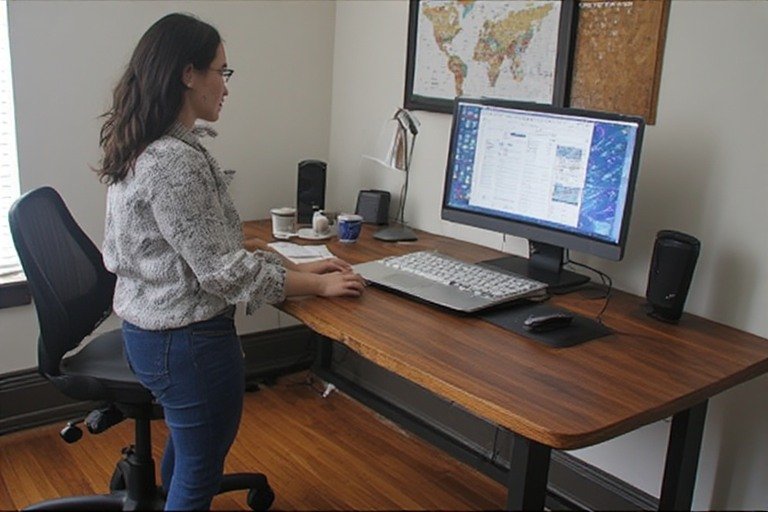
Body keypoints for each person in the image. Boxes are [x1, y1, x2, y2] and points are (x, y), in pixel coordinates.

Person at [96, 13, 365, 510]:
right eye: (222, 71)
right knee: (199, 473)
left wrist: (293, 270)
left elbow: (190, 248)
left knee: (191, 455)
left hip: (150, 331)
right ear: (187, 74)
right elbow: (223, 273)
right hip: (187, 343)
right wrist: (318, 286)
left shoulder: (143, 145)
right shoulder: (174, 161)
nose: (226, 85)